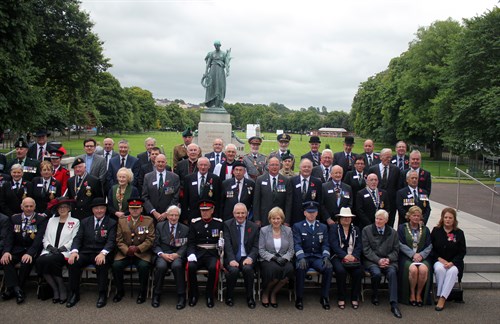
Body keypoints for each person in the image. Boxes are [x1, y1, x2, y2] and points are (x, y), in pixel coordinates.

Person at [66, 198, 117, 308]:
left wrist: (103, 253)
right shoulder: (85, 221)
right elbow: (78, 238)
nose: (99, 211)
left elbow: (111, 241)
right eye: (96, 208)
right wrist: (74, 251)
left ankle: (102, 294)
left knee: (101, 263)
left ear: (105, 209)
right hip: (86, 252)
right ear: (92, 210)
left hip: (101, 252)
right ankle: (74, 293)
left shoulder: (111, 222)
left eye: (102, 208)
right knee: (73, 262)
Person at [1, 197, 47, 304]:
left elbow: (38, 239)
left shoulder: (41, 219)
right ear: (22, 207)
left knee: (26, 261)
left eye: (31, 206)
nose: (29, 208)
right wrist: (6, 251)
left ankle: (13, 289)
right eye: (26, 206)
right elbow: (9, 237)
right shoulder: (14, 219)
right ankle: (17, 290)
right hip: (17, 249)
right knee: (6, 260)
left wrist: (30, 253)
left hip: (32, 250)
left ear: (35, 207)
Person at [36, 197, 80, 304]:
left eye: (65, 207)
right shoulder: (51, 220)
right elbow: (45, 237)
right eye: (60, 207)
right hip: (49, 250)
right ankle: (55, 289)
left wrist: (61, 249)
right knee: (40, 261)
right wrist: (50, 247)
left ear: (69, 208)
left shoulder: (75, 221)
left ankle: (61, 288)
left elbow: (74, 239)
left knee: (53, 260)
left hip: (64, 251)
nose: (62, 209)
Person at [112, 198, 155, 304]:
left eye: (137, 208)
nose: (134, 210)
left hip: (142, 253)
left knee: (144, 266)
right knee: (116, 265)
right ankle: (120, 291)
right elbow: (119, 239)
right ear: (129, 209)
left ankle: (142, 292)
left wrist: (138, 248)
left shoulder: (148, 221)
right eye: (132, 208)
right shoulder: (122, 221)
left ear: (141, 209)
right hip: (125, 253)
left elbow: (150, 239)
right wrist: (127, 250)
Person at [362, 209, 402, 318]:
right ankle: (375, 294)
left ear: (386, 220)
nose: (378, 221)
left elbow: (396, 250)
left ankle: (394, 303)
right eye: (376, 219)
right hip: (372, 260)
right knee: (376, 273)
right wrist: (378, 260)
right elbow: (366, 250)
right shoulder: (367, 230)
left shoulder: (393, 233)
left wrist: (388, 259)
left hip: (388, 261)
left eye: (381, 219)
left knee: (392, 272)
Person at [293, 201, 333, 310]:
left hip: (317, 257)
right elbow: (297, 244)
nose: (311, 214)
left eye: (313, 212)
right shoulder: (298, 226)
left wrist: (326, 256)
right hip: (304, 256)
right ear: (304, 213)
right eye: (309, 212)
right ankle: (299, 297)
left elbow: (325, 244)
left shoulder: (323, 227)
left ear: (317, 213)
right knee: (300, 268)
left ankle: (324, 297)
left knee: (328, 268)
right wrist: (300, 257)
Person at [186, 199, 224, 308]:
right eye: (202, 210)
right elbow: (191, 242)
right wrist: (191, 254)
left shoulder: (219, 223)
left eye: (207, 210)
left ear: (212, 210)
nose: (204, 212)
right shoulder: (195, 223)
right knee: (191, 267)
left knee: (213, 268)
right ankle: (194, 294)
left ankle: (209, 294)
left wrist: (221, 249)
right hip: (198, 252)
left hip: (212, 253)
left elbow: (222, 242)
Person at [152, 205, 189, 309]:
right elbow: (155, 244)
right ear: (167, 216)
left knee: (177, 266)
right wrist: (162, 254)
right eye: (171, 215)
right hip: (163, 254)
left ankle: (181, 296)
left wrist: (177, 254)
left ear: (179, 216)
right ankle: (156, 294)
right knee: (161, 267)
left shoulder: (185, 229)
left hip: (177, 255)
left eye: (176, 215)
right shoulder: (159, 226)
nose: (173, 218)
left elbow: (186, 245)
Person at [223, 203, 259, 308]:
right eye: (238, 213)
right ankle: (229, 296)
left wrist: (250, 258)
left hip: (246, 257)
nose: (240, 215)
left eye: (243, 213)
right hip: (232, 256)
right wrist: (231, 259)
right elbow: (227, 244)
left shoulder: (254, 227)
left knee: (248, 270)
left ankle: (250, 297)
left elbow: (256, 246)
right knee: (233, 270)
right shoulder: (227, 224)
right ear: (233, 214)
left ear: (247, 214)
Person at [431, 207, 466, 311]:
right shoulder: (436, 231)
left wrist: (452, 263)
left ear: (454, 219)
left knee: (453, 271)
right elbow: (430, 248)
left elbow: (462, 252)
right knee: (440, 269)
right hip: (439, 260)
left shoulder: (459, 233)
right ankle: (440, 293)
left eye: (450, 217)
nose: (448, 219)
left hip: (454, 262)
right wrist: (440, 259)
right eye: (445, 217)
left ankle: (442, 297)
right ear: (442, 218)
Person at [258, 207, 294, 308]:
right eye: (273, 218)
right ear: (270, 220)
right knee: (274, 270)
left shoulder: (288, 230)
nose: (276, 221)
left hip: (284, 258)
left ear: (282, 219)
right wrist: (274, 258)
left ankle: (274, 293)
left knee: (289, 269)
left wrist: (286, 258)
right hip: (268, 259)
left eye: (278, 218)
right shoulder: (264, 230)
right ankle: (266, 293)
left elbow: (291, 250)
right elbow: (261, 250)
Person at [398, 206, 433, 306]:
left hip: (422, 256)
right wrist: (413, 254)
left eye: (418, 216)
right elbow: (400, 244)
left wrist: (421, 255)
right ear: (409, 216)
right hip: (407, 256)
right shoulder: (402, 228)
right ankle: (412, 293)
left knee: (423, 270)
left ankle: (419, 294)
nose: (416, 218)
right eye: (414, 215)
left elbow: (429, 245)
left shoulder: (425, 229)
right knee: (413, 270)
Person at [329, 207, 362, 310]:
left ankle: (354, 297)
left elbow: (359, 245)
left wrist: (354, 256)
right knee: (340, 271)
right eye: (344, 217)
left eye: (348, 217)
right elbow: (334, 245)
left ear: (351, 219)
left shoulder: (356, 229)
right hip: (338, 257)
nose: (346, 219)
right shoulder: (334, 228)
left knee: (358, 272)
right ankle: (341, 297)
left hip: (353, 257)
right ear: (340, 218)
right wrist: (345, 256)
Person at [253, 157, 292, 227]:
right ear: (268, 166)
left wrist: (287, 220)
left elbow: (288, 202)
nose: (274, 167)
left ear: (280, 166)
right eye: (272, 165)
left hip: (280, 218)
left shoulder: (286, 181)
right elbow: (256, 201)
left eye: (277, 165)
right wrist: (257, 219)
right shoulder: (260, 180)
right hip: (264, 217)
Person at [142, 154, 180, 224]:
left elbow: (175, 197)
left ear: (166, 163)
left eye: (162, 162)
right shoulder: (147, 177)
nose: (160, 164)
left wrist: (166, 213)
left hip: (168, 216)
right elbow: (144, 196)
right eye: (158, 162)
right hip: (152, 216)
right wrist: (153, 211)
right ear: (155, 163)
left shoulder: (174, 177)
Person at [182, 157, 221, 223]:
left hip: (210, 216)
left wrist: (216, 216)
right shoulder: (188, 178)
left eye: (205, 165)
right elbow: (185, 199)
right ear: (197, 166)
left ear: (209, 166)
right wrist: (185, 217)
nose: (203, 167)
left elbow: (218, 199)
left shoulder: (215, 179)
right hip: (192, 215)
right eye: (201, 165)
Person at [368, 148, 400, 227]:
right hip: (376, 202)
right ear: (381, 157)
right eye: (386, 157)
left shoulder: (396, 170)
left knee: (389, 224)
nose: (388, 159)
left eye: (390, 157)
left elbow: (398, 186)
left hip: (391, 204)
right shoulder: (373, 169)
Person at [289, 159, 322, 225]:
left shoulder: (317, 182)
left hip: (311, 219)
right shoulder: (292, 181)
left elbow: (320, 201)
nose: (306, 169)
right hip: (295, 218)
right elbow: (289, 201)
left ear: (312, 168)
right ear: (300, 168)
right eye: (304, 167)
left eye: (309, 167)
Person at [202, 40, 230, 108]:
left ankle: (219, 103)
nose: (216, 47)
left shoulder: (223, 54)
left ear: (220, 46)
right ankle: (212, 103)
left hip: (220, 71)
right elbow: (208, 63)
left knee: (220, 86)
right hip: (212, 70)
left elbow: (226, 63)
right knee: (212, 86)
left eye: (217, 45)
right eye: (215, 45)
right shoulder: (211, 53)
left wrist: (227, 71)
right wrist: (206, 72)